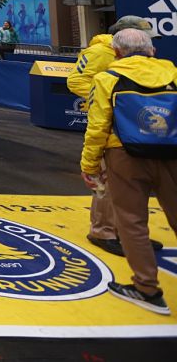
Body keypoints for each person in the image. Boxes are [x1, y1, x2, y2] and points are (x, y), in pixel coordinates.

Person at [79, 27, 177, 315]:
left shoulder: (107, 78)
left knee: (132, 222)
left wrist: (89, 165)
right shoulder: (172, 74)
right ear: (152, 50)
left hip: (124, 154)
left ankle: (147, 288)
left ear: (117, 52)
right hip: (172, 153)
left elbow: (97, 127)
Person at [67, 15, 165, 258]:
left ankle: (128, 232)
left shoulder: (141, 58)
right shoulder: (101, 52)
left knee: (132, 183)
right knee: (107, 181)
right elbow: (76, 80)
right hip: (112, 122)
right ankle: (102, 231)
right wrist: (109, 99)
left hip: (134, 123)